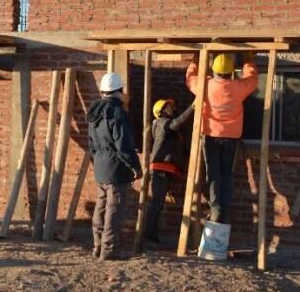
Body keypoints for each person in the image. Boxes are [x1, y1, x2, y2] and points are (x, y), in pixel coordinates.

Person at [185, 53, 258, 225]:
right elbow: (253, 79)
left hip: (210, 137)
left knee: (213, 174)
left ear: (214, 70)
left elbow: (190, 79)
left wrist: (195, 61)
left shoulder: (205, 85)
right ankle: (224, 210)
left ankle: (215, 205)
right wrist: (247, 59)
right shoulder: (238, 87)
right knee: (227, 175)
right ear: (231, 71)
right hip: (231, 138)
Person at [86, 71, 141, 261]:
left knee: (101, 206)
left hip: (100, 167)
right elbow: (123, 144)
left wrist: (99, 159)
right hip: (116, 169)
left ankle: (97, 245)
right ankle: (109, 250)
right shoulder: (118, 113)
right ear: (119, 91)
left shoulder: (94, 112)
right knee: (114, 209)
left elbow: (91, 144)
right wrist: (135, 165)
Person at [143, 98, 195, 246]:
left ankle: (151, 235)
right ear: (161, 111)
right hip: (160, 168)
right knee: (156, 204)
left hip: (164, 169)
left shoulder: (167, 127)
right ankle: (148, 236)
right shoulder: (162, 123)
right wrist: (192, 107)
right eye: (169, 106)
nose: (173, 108)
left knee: (158, 204)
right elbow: (176, 123)